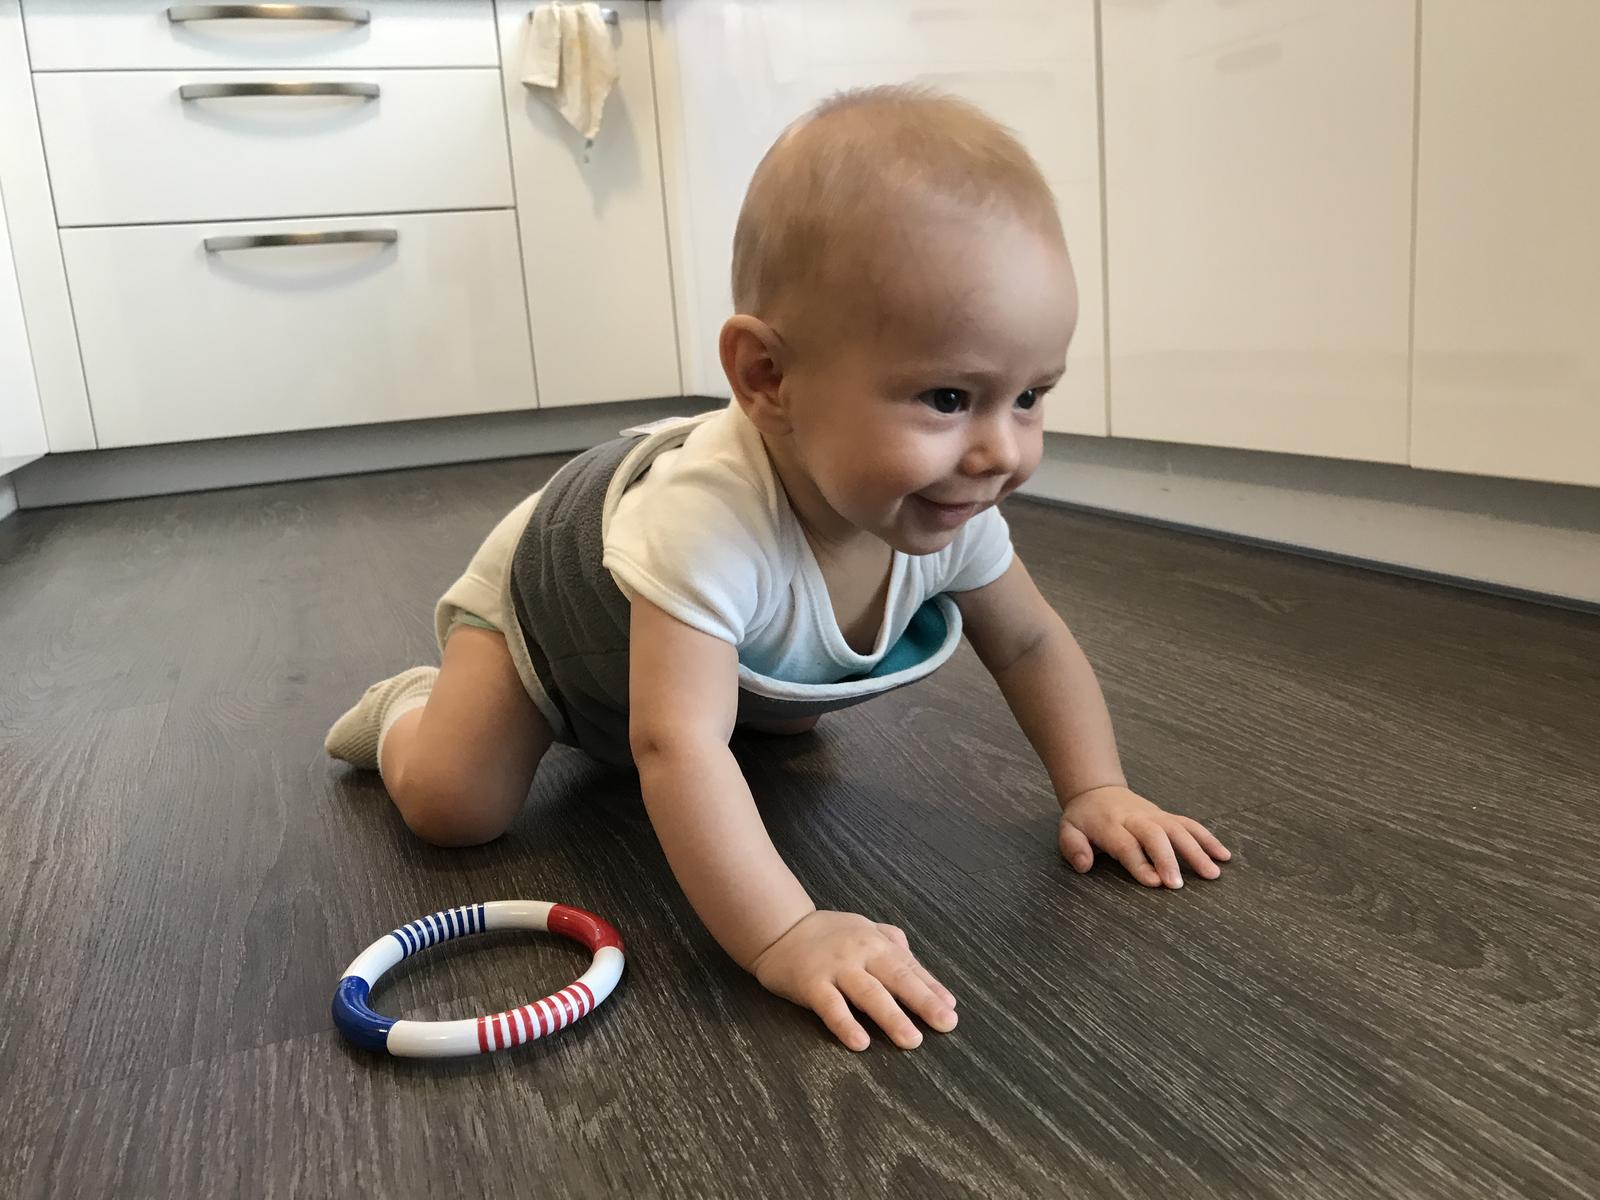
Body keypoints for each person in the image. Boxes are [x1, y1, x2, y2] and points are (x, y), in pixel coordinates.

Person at [326, 85, 1230, 1053]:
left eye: (1030, 396)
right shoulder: (705, 520)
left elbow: (1032, 642)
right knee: (456, 806)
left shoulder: (946, 499)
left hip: (687, 645)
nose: (999, 452)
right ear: (767, 377)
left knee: (777, 729)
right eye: (947, 396)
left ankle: (736, 688)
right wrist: (787, 932)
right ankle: (409, 705)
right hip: (553, 619)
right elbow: (676, 746)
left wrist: (1096, 788)